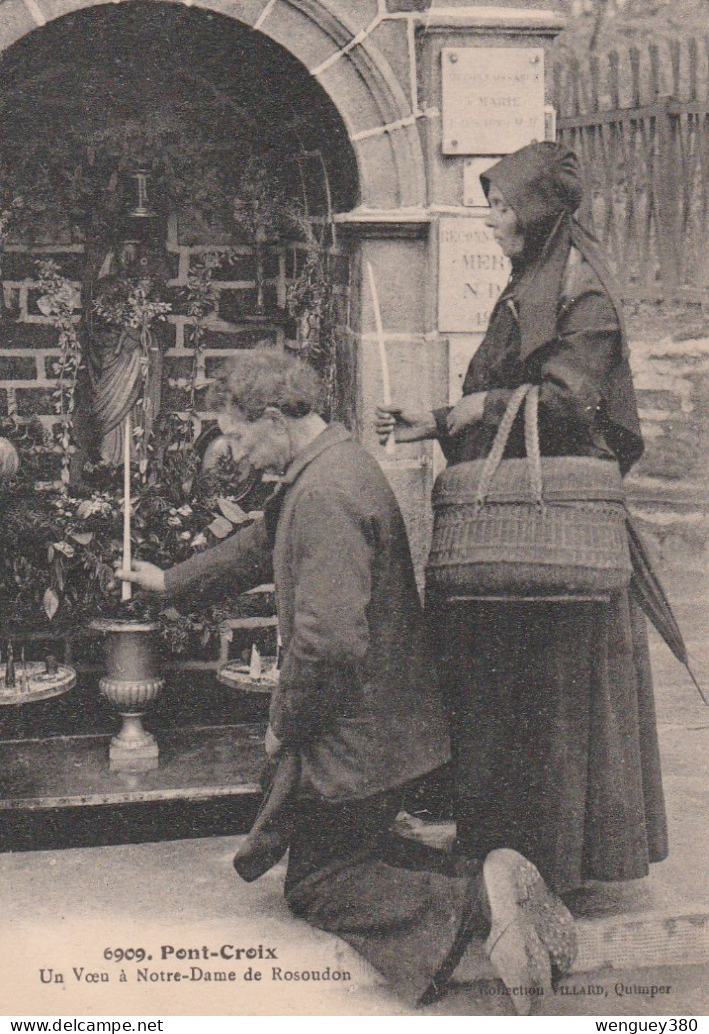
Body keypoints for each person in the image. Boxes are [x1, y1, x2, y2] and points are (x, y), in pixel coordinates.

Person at [119, 347, 576, 1012]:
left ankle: (477, 896)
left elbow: (328, 643)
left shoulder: (324, 495)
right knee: (346, 852)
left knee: (320, 883)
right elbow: (257, 545)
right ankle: (499, 883)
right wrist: (171, 582)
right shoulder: (331, 465)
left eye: (238, 436)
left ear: (274, 418)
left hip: (362, 738)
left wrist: (283, 724)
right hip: (389, 724)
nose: (235, 453)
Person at [377, 142, 668, 896]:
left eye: (502, 208)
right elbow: (514, 386)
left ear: (537, 210)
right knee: (503, 690)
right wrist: (440, 418)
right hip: (514, 529)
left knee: (554, 702)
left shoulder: (582, 293)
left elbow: (572, 402)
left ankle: (558, 866)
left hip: (554, 537)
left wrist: (476, 407)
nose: (492, 223)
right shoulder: (533, 283)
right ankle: (503, 852)